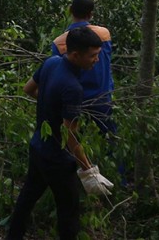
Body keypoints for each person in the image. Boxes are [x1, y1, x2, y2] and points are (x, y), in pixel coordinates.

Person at [7, 26, 114, 240]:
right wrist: (89, 170)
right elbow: (70, 137)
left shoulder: (51, 63)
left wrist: (51, 106)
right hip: (57, 159)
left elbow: (28, 89)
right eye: (93, 56)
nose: (97, 60)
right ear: (75, 55)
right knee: (69, 213)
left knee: (27, 198)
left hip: (38, 147)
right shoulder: (73, 88)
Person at [51, 0, 115, 136]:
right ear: (91, 14)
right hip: (103, 99)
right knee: (110, 140)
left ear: (70, 11)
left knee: (77, 140)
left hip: (76, 103)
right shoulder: (103, 34)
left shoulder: (60, 43)